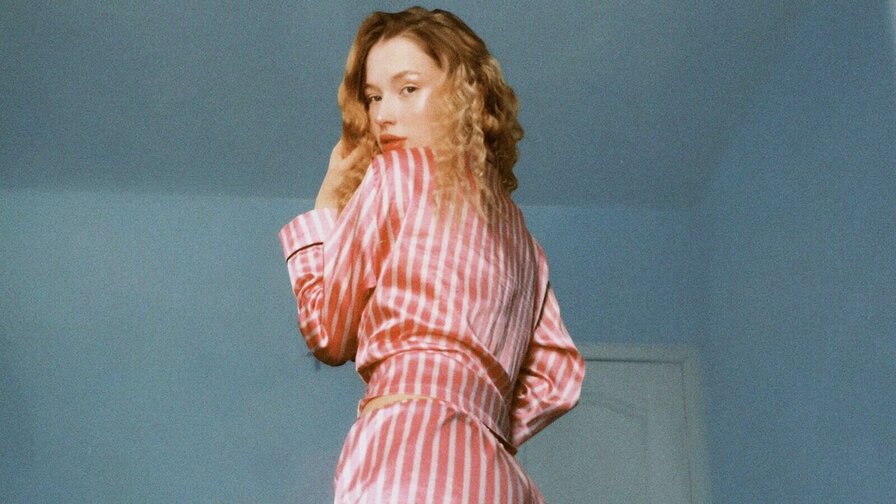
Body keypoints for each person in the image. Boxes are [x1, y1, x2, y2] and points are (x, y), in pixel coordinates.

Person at [278, 7, 585, 503]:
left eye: (408, 88)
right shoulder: (525, 242)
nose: (383, 114)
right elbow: (558, 377)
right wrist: (478, 416)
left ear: (466, 94)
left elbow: (328, 334)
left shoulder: (396, 176)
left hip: (407, 446)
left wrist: (325, 207)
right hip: (496, 475)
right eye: (374, 97)